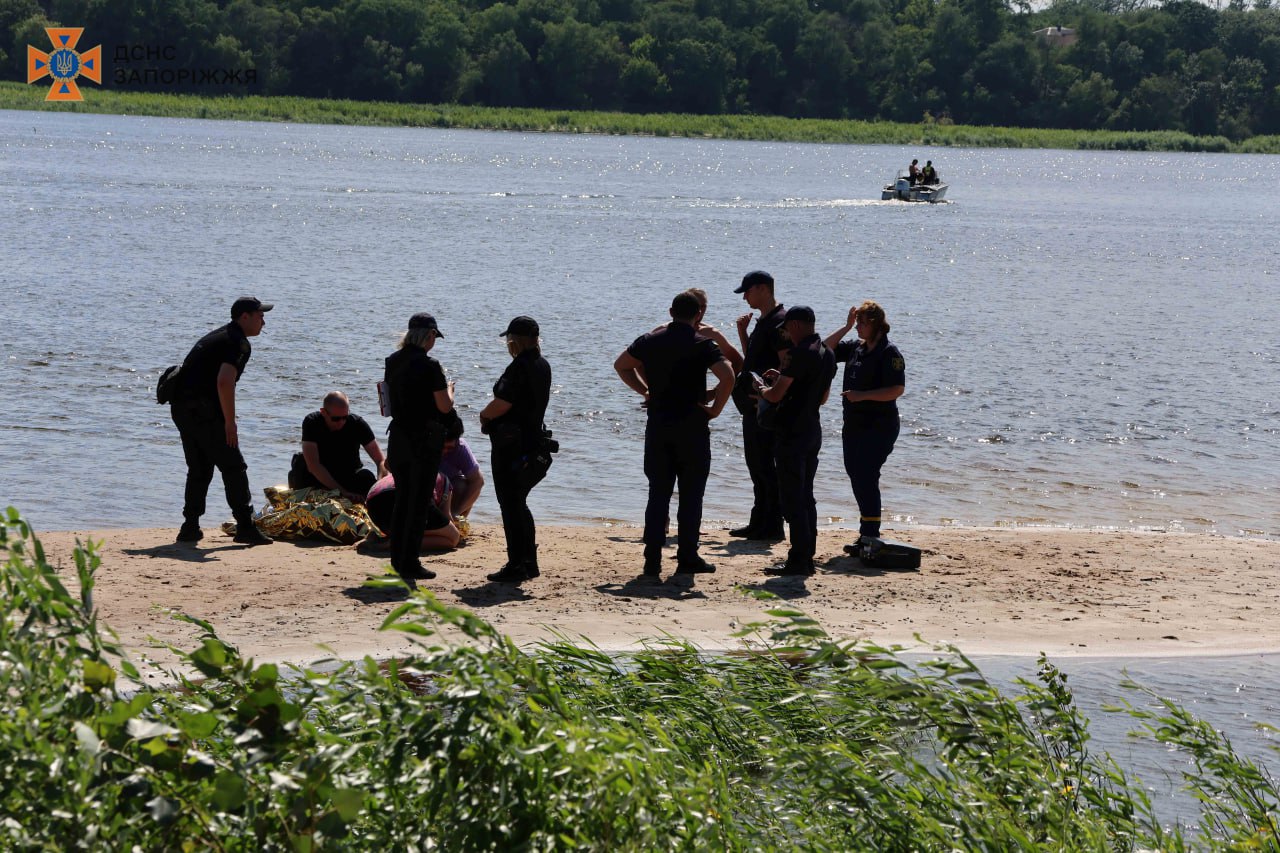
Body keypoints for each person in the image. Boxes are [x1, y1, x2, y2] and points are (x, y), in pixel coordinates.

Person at [615, 292, 735, 578]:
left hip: (659, 426)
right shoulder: (702, 344)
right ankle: (687, 556)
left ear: (670, 312)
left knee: (658, 493)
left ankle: (652, 561)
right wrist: (715, 408)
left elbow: (621, 365)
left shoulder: (650, 340)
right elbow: (728, 376)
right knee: (691, 495)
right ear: (698, 316)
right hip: (692, 427)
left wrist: (646, 390)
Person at [168, 296, 275, 546]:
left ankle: (190, 527)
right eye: (259, 315)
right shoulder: (236, 342)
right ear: (244, 317)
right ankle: (246, 527)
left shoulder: (219, 336)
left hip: (182, 409)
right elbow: (224, 381)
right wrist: (230, 422)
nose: (264, 321)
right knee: (234, 467)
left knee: (200, 468)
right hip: (203, 412)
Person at [755, 305, 836, 576]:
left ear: (797, 325)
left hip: (792, 431)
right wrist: (781, 381)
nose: (787, 334)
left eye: (788, 328)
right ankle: (806, 556)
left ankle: (799, 560)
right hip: (812, 427)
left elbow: (776, 396)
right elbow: (821, 395)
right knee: (806, 496)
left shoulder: (800, 353)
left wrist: (762, 389)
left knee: (792, 499)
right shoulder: (827, 353)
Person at [824, 301, 905, 555]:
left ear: (876, 324)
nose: (858, 327)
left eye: (861, 323)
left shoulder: (889, 352)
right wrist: (846, 327)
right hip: (854, 425)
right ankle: (866, 533)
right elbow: (824, 349)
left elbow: (896, 389)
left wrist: (862, 396)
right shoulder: (856, 348)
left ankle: (870, 534)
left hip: (879, 426)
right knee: (855, 474)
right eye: (856, 322)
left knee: (866, 475)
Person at [383, 312, 457, 586]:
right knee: (419, 502)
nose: (434, 342)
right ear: (429, 336)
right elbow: (444, 406)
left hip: (399, 436)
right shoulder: (431, 366)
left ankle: (396, 559)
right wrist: (451, 390)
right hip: (424, 440)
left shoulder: (393, 361)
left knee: (402, 500)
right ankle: (410, 562)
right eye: (434, 337)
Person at [479, 316, 553, 583]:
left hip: (512, 446)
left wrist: (484, 416)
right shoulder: (542, 365)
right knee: (519, 503)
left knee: (510, 504)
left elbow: (502, 403)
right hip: (533, 443)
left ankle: (516, 563)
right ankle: (529, 562)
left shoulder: (520, 367)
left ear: (514, 341)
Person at [730, 270, 789, 540]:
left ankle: (772, 525)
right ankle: (759, 521)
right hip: (752, 406)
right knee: (756, 463)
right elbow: (754, 361)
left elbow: (786, 364)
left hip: (766, 408)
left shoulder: (779, 321)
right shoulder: (764, 320)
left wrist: (769, 395)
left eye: (748, 291)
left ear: (763, 289)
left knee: (765, 465)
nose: (744, 297)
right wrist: (743, 334)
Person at [288, 391, 387, 502]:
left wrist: (380, 484)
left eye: (345, 417)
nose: (341, 422)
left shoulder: (357, 424)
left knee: (366, 476)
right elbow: (314, 466)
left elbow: (380, 460)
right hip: (320, 476)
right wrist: (342, 492)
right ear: (324, 412)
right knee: (300, 464)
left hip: (347, 474)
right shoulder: (312, 422)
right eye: (336, 419)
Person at [364, 471, 461, 551]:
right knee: (453, 537)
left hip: (374, 502)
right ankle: (396, 544)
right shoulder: (446, 482)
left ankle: (378, 537)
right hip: (411, 497)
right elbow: (446, 516)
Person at [440, 418, 484, 520]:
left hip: (448, 491)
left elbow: (478, 481)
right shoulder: (423, 445)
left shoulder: (460, 448)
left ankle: (454, 519)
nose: (445, 451)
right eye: (442, 447)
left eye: (449, 448)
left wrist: (456, 512)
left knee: (462, 486)